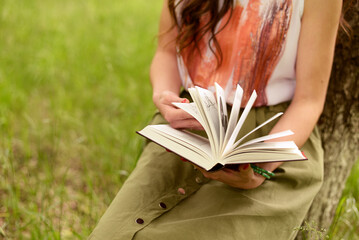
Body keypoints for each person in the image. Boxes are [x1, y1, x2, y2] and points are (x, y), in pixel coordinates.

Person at [89, 0, 343, 239]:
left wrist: (259, 169)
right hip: (188, 130)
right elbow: (166, 52)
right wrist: (164, 96)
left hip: (271, 139)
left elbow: (309, 102)